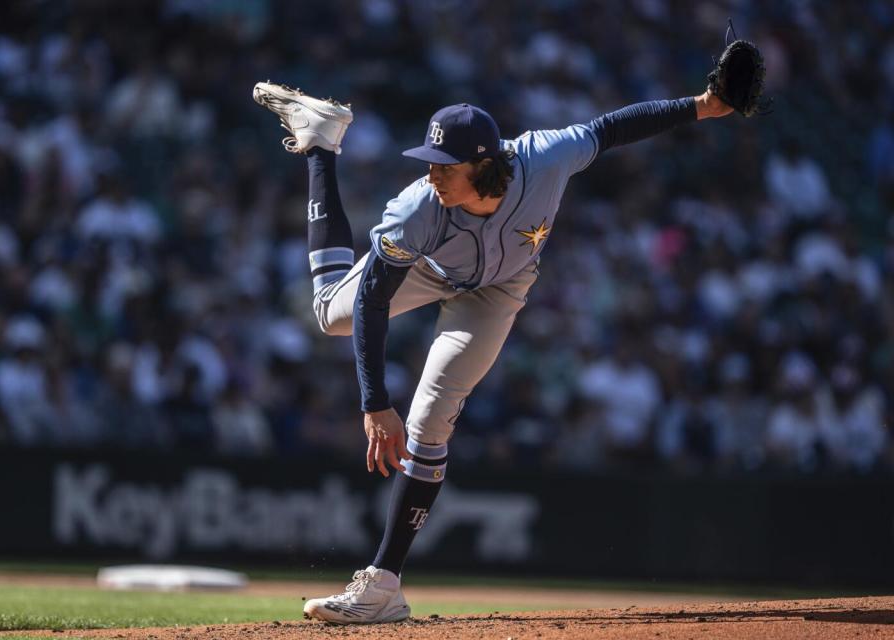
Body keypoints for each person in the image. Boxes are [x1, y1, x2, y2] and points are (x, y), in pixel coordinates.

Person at [252, 80, 733, 624]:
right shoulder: (418, 208)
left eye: (444, 165)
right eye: (429, 162)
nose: (432, 174)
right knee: (328, 314)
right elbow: (372, 303)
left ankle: (383, 584)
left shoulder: (545, 158)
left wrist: (704, 106)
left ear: (482, 165)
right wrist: (373, 401)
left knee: (431, 421)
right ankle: (320, 145)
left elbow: (615, 126)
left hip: (501, 287)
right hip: (429, 270)